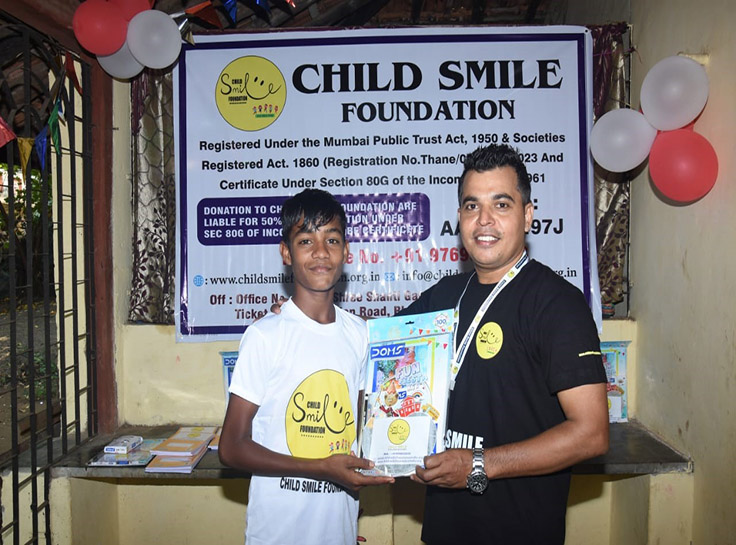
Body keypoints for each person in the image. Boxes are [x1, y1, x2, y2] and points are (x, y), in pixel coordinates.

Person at [402, 143, 609, 544]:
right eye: (472, 206)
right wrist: (306, 314)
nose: (484, 220)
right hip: (446, 527)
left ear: (527, 215)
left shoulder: (557, 304)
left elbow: (592, 434)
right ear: (459, 217)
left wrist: (479, 464)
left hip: (520, 529)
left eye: (501, 204)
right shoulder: (444, 296)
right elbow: (377, 343)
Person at [219, 188, 394, 545]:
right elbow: (232, 447)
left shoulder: (361, 335)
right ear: (286, 253)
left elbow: (362, 432)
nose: (320, 252)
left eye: (332, 239)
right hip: (277, 535)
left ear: (346, 251)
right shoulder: (265, 335)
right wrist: (321, 469)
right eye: (305, 241)